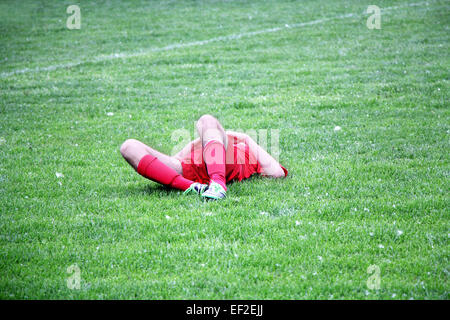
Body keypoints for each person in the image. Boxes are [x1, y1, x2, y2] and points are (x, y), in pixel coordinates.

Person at [120, 114, 288, 200]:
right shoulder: (209, 142)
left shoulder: (246, 147)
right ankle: (194, 187)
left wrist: (245, 137)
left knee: (206, 119)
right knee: (128, 147)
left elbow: (277, 173)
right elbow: (181, 157)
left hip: (226, 165)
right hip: (188, 169)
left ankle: (217, 183)